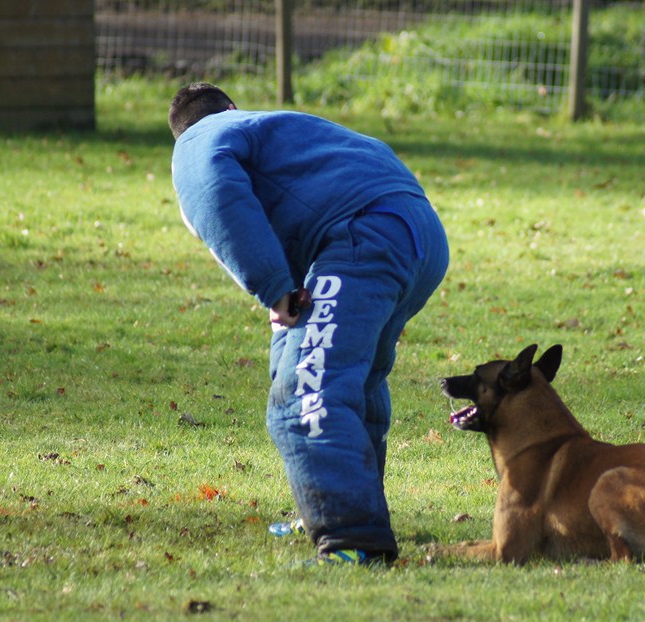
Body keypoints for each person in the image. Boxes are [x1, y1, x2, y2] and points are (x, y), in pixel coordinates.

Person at [168, 82, 449, 565]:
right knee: (346, 378)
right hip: (417, 232)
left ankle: (353, 537)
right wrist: (285, 294)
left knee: (305, 391)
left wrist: (272, 286)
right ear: (233, 105)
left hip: (363, 235)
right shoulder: (278, 129)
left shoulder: (199, 139)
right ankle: (332, 503)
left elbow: (213, 189)